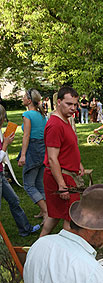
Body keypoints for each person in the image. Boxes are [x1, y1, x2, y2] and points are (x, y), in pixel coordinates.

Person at [41, 86, 84, 237]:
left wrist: (77, 163)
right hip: (62, 178)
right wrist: (61, 185)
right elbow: (52, 158)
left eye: (75, 104)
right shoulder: (55, 125)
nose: (73, 108)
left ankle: (38, 248)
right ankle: (67, 252)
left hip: (67, 174)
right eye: (69, 104)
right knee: (70, 219)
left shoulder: (65, 120)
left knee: (54, 216)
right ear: (58, 102)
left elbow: (67, 147)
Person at [0, 105, 40, 236]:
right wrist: (5, 145)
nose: (4, 120)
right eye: (3, 117)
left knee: (14, 200)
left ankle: (25, 229)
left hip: (1, 175)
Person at [18, 89, 48, 221]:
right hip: (43, 150)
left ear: (29, 100)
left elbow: (27, 135)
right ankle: (44, 211)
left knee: (29, 185)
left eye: (24, 96)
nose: (22, 98)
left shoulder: (27, 114)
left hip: (33, 149)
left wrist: (23, 155)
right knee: (39, 184)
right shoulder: (42, 115)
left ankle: (47, 212)